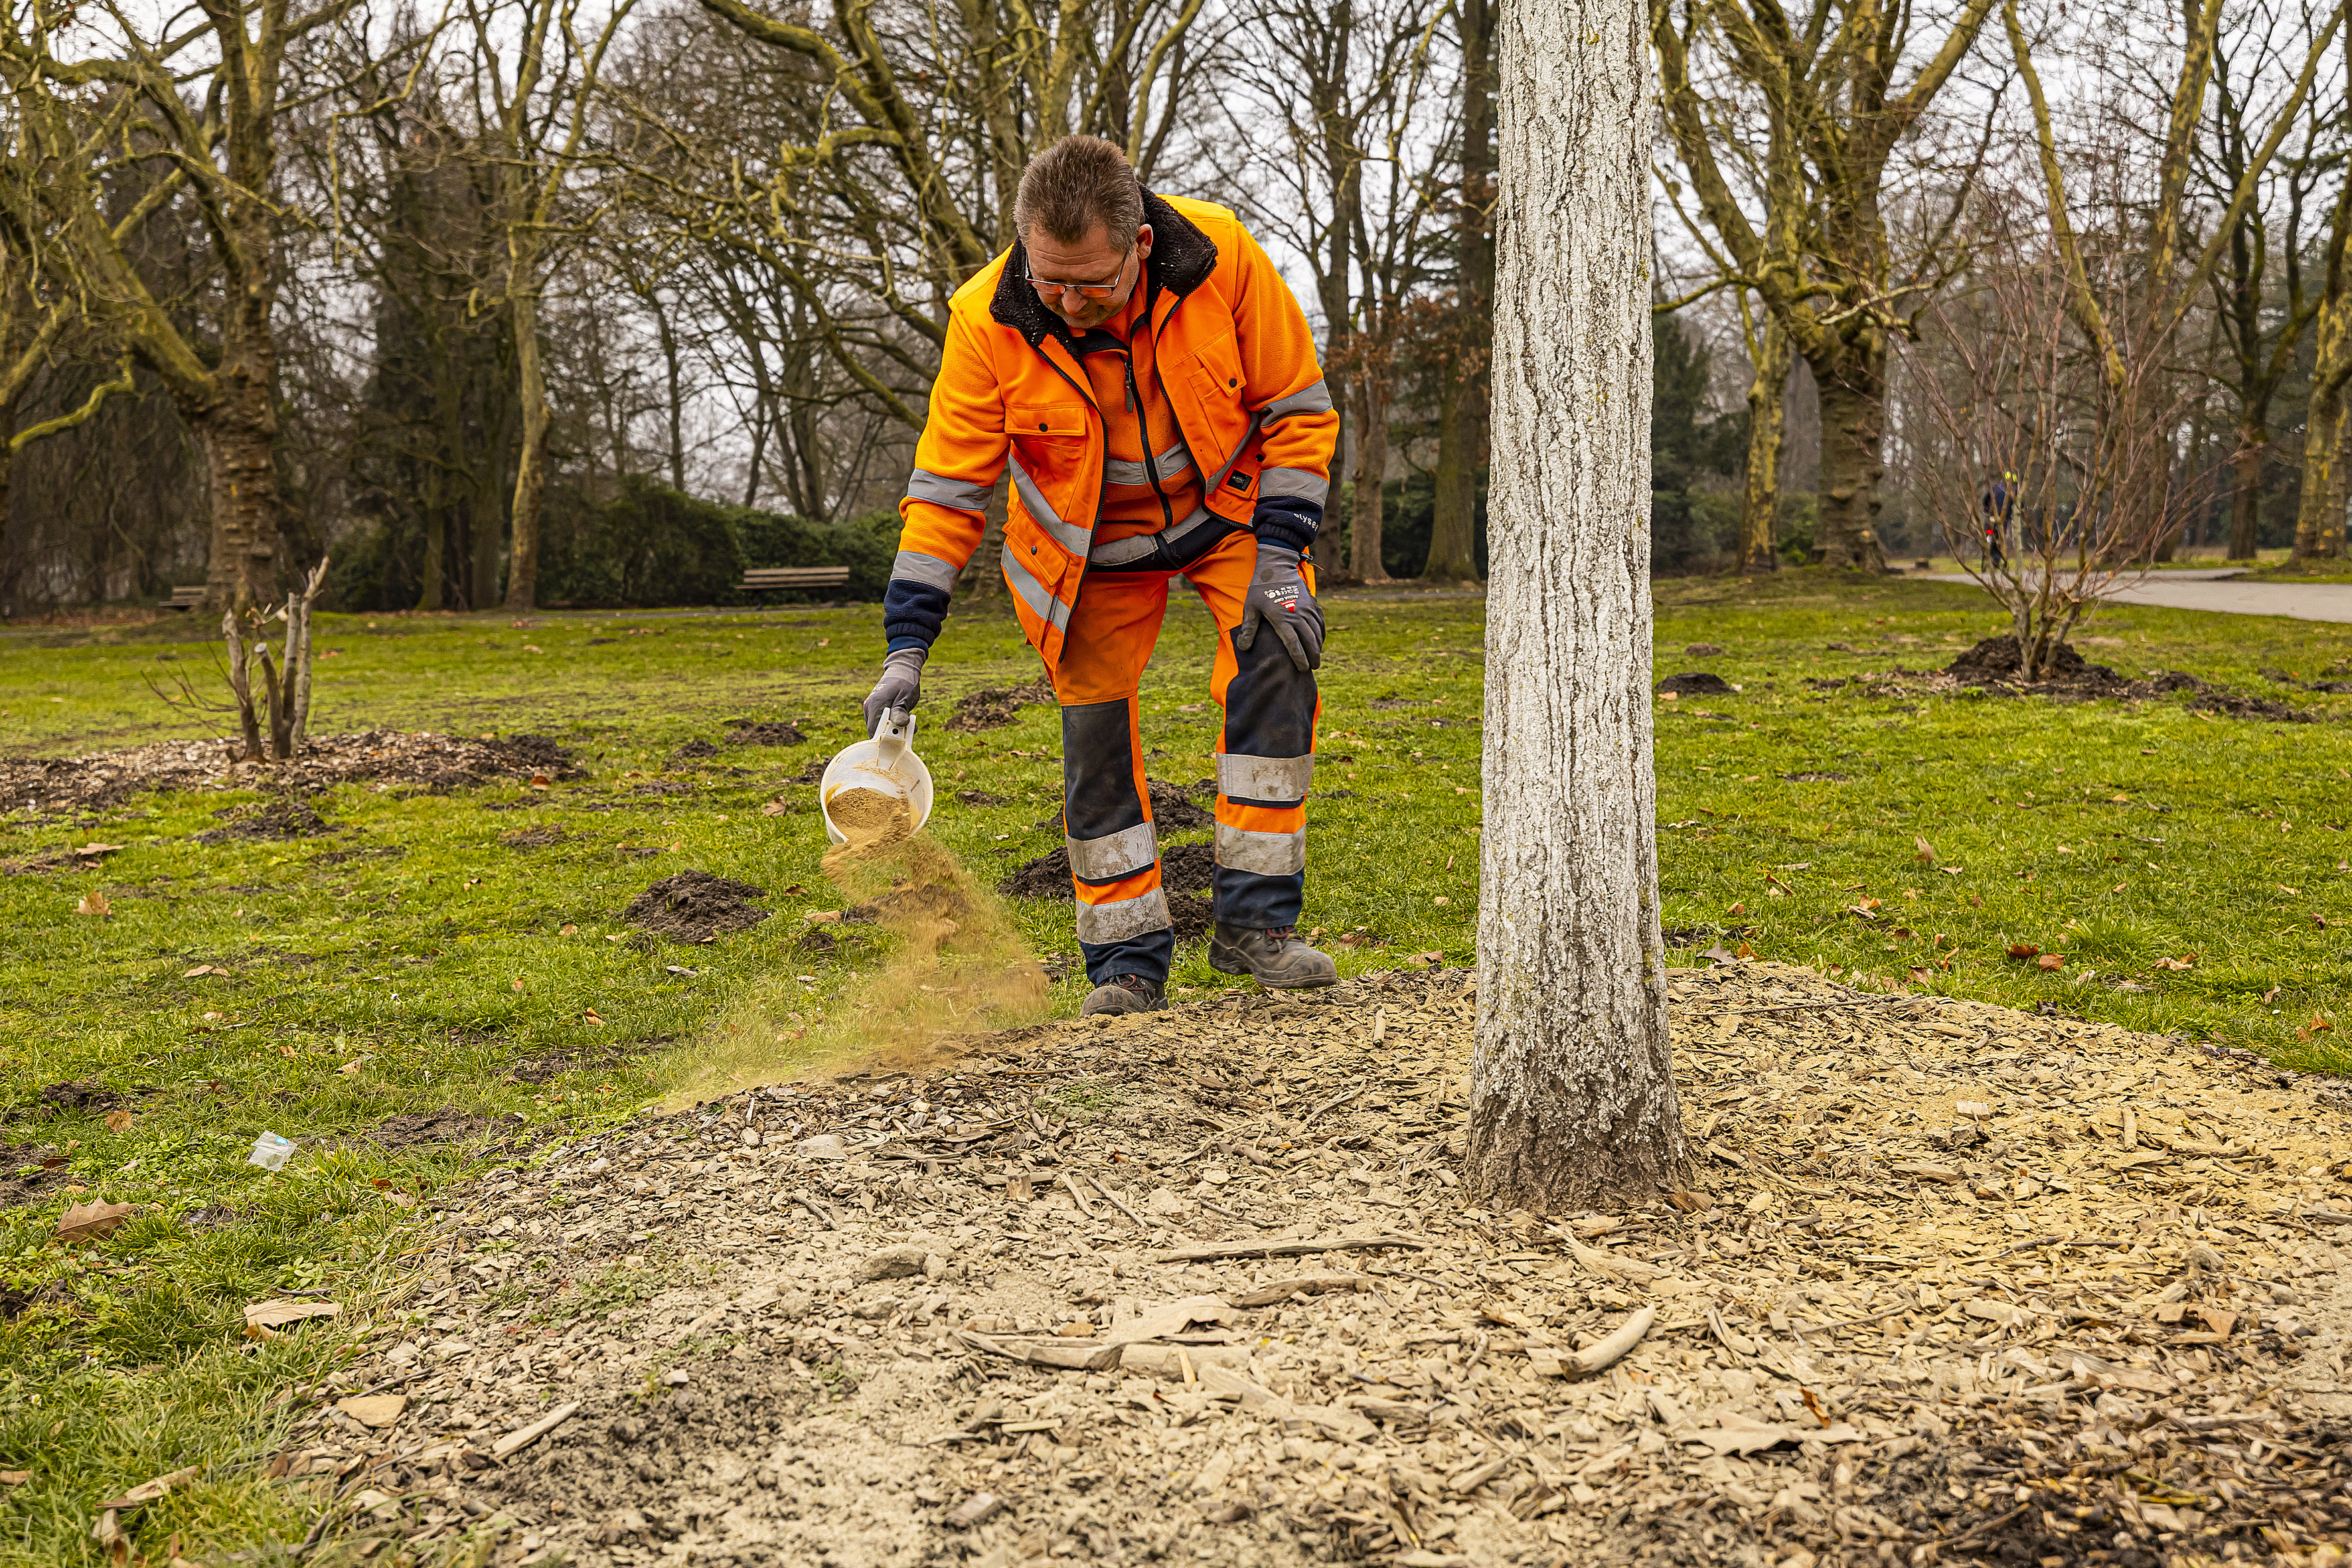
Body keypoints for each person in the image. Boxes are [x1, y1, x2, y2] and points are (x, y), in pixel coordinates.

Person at [860, 135, 1339, 1017]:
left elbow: (1296, 408)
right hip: (1085, 557)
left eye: (1092, 284)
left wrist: (1280, 558)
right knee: (1096, 741)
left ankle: (1256, 925)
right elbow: (947, 491)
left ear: (1140, 246)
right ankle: (1125, 962)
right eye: (1051, 283)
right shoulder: (984, 319)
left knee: (1277, 655)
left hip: (1229, 516)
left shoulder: (1223, 256)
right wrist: (906, 647)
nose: (1071, 304)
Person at [1982, 471, 2015, 568]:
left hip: (1992, 517)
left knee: (1990, 533)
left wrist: (1987, 510)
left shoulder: (1995, 488)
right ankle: (1998, 557)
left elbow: (1985, 499)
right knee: (2000, 537)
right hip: (2004, 519)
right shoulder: (2012, 492)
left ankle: (1989, 547)